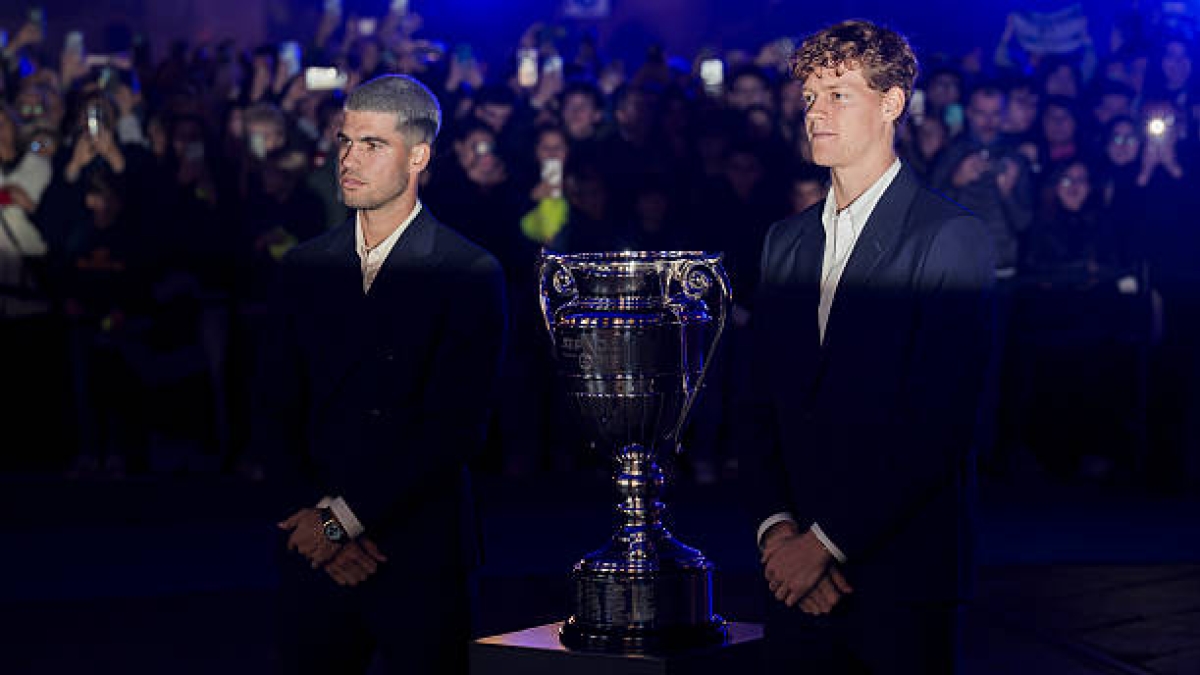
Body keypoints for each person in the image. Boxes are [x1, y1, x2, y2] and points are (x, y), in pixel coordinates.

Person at [740, 20, 994, 673]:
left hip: (902, 580)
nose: (816, 113)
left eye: (838, 94)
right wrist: (779, 534)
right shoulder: (784, 241)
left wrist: (823, 544)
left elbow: (940, 423)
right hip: (793, 580)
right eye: (809, 98)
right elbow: (758, 400)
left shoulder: (950, 237)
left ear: (892, 103)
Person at [258, 74, 507, 674]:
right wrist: (317, 525)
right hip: (314, 549)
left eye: (372, 145)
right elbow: (273, 408)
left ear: (418, 155)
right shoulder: (304, 267)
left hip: (418, 550)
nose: (349, 159)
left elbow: (455, 428)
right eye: (345, 141)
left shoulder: (467, 271)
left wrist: (343, 523)